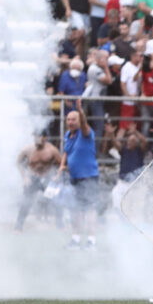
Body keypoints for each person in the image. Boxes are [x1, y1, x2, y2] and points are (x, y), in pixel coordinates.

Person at [59, 104, 100, 250]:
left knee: (89, 209)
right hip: (74, 178)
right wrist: (62, 166)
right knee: (75, 208)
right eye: (68, 119)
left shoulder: (86, 133)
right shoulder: (68, 135)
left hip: (89, 177)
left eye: (73, 119)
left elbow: (84, 124)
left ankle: (91, 241)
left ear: (79, 120)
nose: (70, 122)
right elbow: (67, 152)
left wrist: (81, 111)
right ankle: (75, 240)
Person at [15, 132, 63, 232]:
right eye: (35, 137)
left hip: (47, 177)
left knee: (56, 201)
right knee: (26, 203)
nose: (36, 139)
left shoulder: (52, 150)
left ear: (44, 138)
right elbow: (18, 163)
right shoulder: (27, 149)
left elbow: (61, 164)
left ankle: (60, 225)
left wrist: (57, 176)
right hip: (32, 178)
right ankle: (18, 227)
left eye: (39, 137)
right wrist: (25, 177)